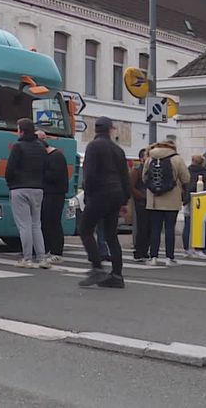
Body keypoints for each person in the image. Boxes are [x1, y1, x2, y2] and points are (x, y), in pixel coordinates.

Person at [78, 117, 131, 289]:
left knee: (85, 228)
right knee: (110, 235)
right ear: (110, 129)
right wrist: (124, 200)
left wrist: (88, 194)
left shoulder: (93, 147)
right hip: (116, 193)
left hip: (100, 192)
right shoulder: (118, 150)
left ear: (96, 129)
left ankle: (97, 267)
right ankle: (117, 275)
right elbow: (125, 176)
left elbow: (89, 174)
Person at [6, 118, 50, 269]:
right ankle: (42, 258)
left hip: (20, 187)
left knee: (24, 225)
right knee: (36, 224)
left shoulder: (18, 146)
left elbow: (10, 169)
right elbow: (46, 167)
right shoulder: (40, 147)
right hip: (38, 188)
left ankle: (27, 258)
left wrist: (10, 183)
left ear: (21, 130)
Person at [144, 140, 190, 266]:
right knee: (170, 229)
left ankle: (153, 257)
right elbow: (186, 178)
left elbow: (145, 178)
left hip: (154, 200)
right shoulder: (177, 159)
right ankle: (169, 258)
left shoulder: (150, 158)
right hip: (172, 199)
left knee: (155, 229)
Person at [37, 129, 69, 263]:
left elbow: (54, 176)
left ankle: (56, 251)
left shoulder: (56, 156)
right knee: (44, 222)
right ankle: (46, 249)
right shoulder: (51, 156)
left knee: (53, 222)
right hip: (48, 193)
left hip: (55, 194)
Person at [183, 155, 206, 259]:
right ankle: (197, 249)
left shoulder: (186, 171)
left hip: (187, 199)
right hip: (199, 201)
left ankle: (186, 249)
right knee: (199, 225)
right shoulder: (204, 173)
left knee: (187, 225)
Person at [129, 148, 150, 262]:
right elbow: (131, 187)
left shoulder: (149, 169)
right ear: (142, 158)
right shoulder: (136, 170)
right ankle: (139, 251)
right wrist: (142, 196)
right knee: (142, 227)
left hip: (148, 201)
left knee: (148, 228)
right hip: (141, 202)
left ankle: (145, 250)